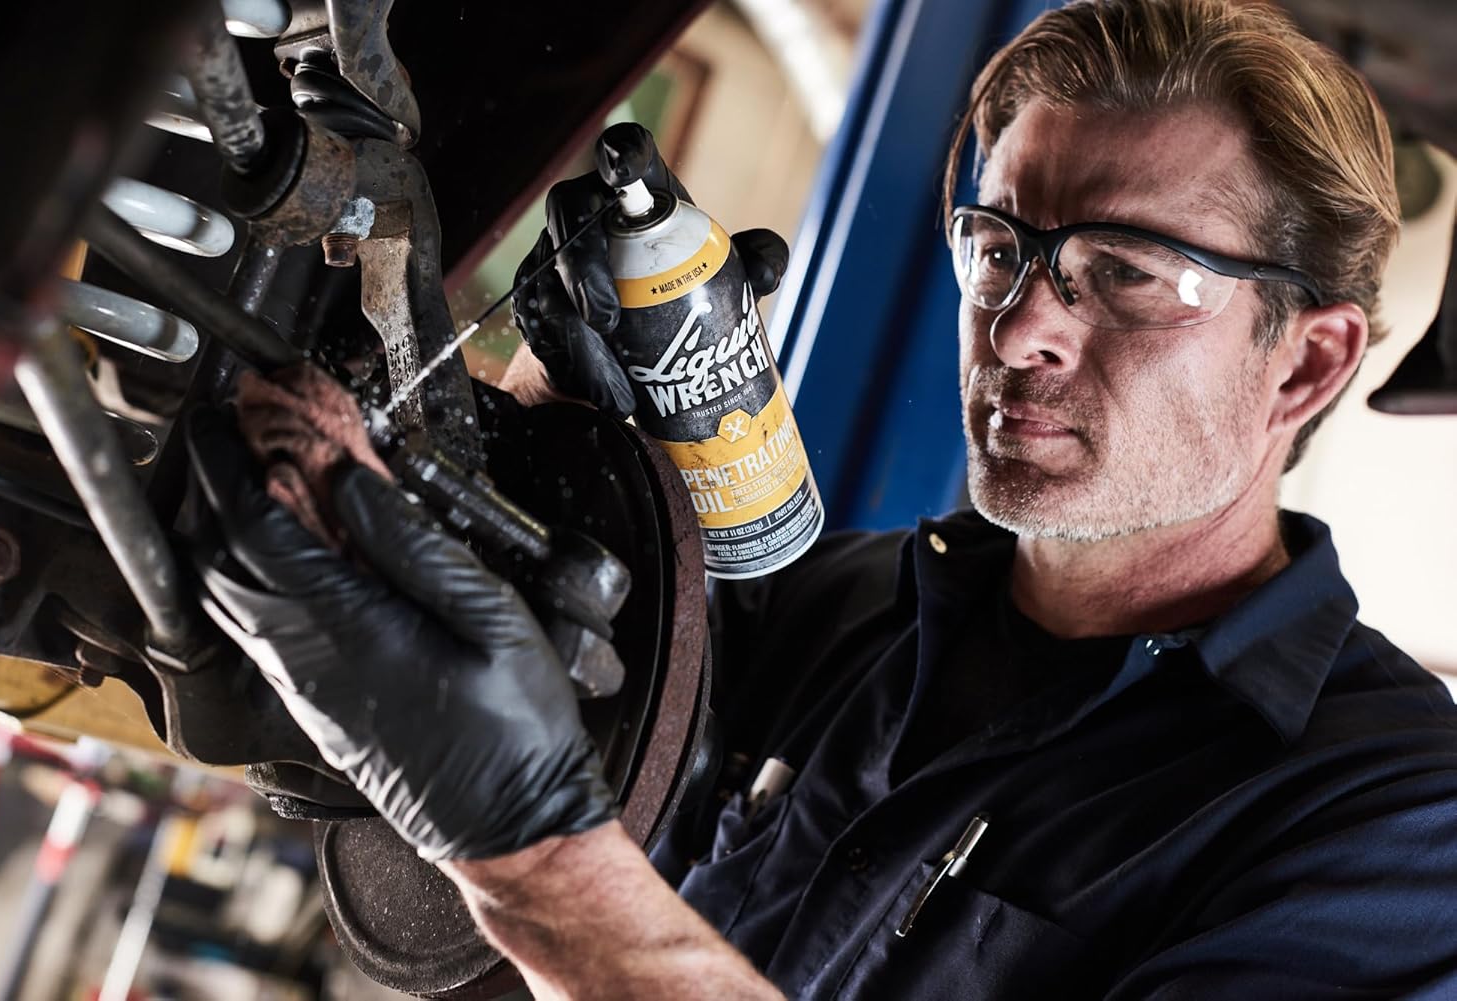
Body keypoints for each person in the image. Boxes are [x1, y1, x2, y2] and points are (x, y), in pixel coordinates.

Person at [187, 0, 1457, 997]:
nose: (1018, 331)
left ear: (1308, 358)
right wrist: (542, 428)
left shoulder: (1397, 827)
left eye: (1122, 271)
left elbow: (565, 893)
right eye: (1002, 249)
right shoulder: (835, 606)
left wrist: (541, 857)